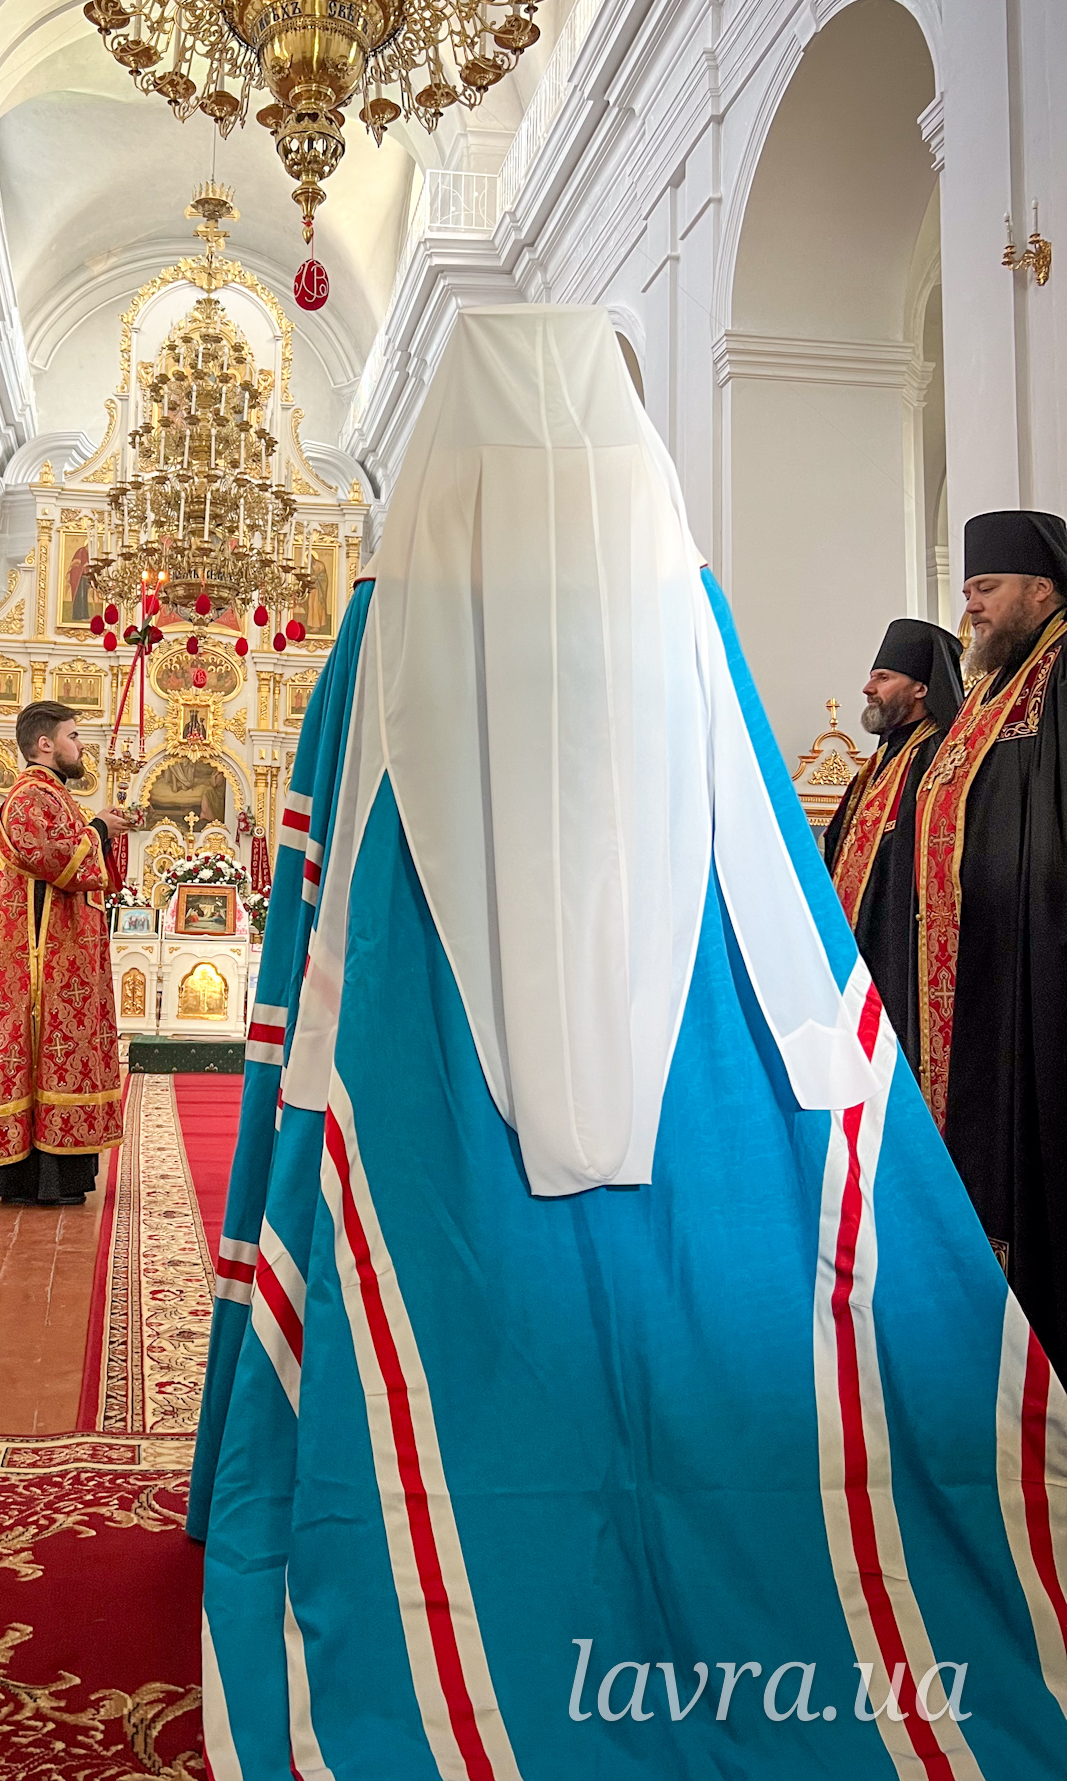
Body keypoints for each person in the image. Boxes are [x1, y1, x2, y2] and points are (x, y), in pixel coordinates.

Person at [197, 310, 1067, 1777]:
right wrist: (825, 1052)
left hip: (427, 1071)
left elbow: (319, 880)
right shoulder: (685, 604)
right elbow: (766, 857)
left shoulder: (386, 616)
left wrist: (311, 1057)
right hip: (692, 1060)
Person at [915, 508, 1067, 1368]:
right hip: (979, 968)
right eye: (968, 586)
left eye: (987, 587)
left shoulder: (1060, 670)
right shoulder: (990, 691)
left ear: (1041, 589)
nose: (969, 603)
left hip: (1040, 958)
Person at [0, 701, 128, 1206]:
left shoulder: (54, 795)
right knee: (42, 1050)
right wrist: (99, 829)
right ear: (44, 744)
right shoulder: (29, 796)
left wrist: (96, 828)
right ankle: (34, 1176)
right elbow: (61, 860)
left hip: (62, 955)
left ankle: (58, 1173)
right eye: (72, 736)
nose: (80, 745)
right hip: (39, 961)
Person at [821, 617, 962, 1066]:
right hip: (861, 949)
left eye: (882, 677)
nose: (868, 688)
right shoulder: (879, 761)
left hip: (905, 954)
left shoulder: (941, 760)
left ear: (921, 687)